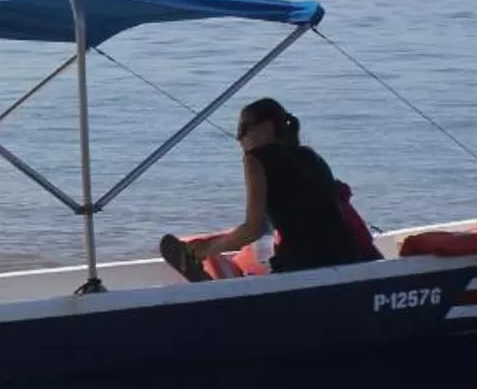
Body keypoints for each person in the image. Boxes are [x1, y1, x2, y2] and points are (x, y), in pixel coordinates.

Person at [161, 96, 378, 281]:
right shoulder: (311, 157)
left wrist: (206, 249)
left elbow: (253, 229)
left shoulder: (256, 160)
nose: (239, 137)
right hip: (347, 259)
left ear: (266, 127)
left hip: (303, 267)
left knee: (257, 266)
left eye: (243, 128)